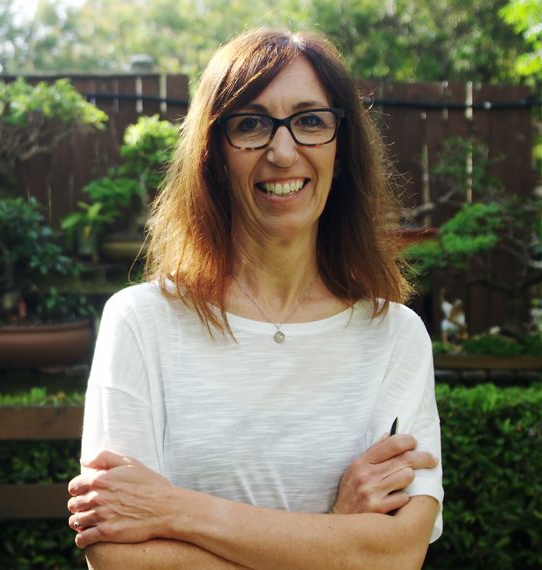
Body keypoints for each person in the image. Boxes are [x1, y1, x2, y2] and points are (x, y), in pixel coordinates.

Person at [67, 29, 443, 569]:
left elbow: (398, 555)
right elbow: (118, 557)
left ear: (343, 147)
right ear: (214, 154)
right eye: (251, 125)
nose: (283, 151)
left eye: (311, 121)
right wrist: (336, 537)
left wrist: (175, 511)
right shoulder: (139, 323)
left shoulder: (396, 336)